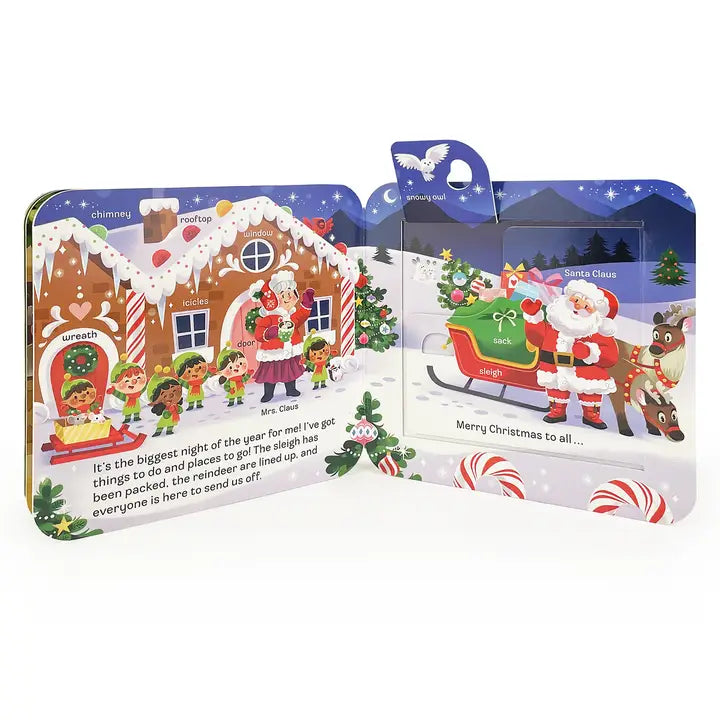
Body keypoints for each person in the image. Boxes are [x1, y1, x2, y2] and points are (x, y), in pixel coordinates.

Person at [521, 279, 619, 429]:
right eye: (576, 300)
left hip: (586, 372)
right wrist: (533, 316)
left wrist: (590, 352)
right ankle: (557, 411)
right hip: (554, 368)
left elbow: (610, 356)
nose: (578, 306)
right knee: (556, 391)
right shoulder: (555, 326)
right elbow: (537, 337)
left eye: (586, 306)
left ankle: (591, 415)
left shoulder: (597, 333)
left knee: (590, 393)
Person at [250, 270, 315, 403]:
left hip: (289, 350)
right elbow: (259, 334)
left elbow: (301, 316)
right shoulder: (269, 318)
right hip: (273, 352)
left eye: (291, 292)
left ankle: (291, 389)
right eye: (283, 294)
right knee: (270, 374)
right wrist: (270, 332)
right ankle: (268, 393)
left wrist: (307, 303)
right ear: (273, 300)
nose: (289, 296)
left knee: (289, 371)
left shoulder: (291, 316)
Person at [106, 353, 147, 423]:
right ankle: (127, 418)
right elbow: (119, 395)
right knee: (128, 411)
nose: (134, 382)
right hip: (128, 405)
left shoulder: (138, 393)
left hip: (136, 404)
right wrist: (113, 391)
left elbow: (143, 389)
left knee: (136, 409)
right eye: (127, 381)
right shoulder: (126, 396)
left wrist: (147, 383)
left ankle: (136, 416)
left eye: (138, 378)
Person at [147, 365, 183, 437]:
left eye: (174, 391)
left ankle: (169, 430)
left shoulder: (175, 404)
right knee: (162, 423)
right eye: (165, 396)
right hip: (167, 415)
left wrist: (179, 409)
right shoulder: (165, 406)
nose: (171, 396)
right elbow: (165, 414)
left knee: (172, 423)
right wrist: (167, 413)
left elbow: (180, 410)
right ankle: (158, 432)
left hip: (173, 416)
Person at [216, 342, 253, 407]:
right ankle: (231, 402)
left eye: (240, 364)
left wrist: (249, 374)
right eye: (230, 367)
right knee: (232, 396)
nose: (237, 367)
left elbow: (245, 379)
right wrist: (230, 389)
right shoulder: (230, 381)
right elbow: (226, 386)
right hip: (232, 390)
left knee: (239, 394)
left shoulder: (240, 378)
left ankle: (239, 400)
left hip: (239, 390)